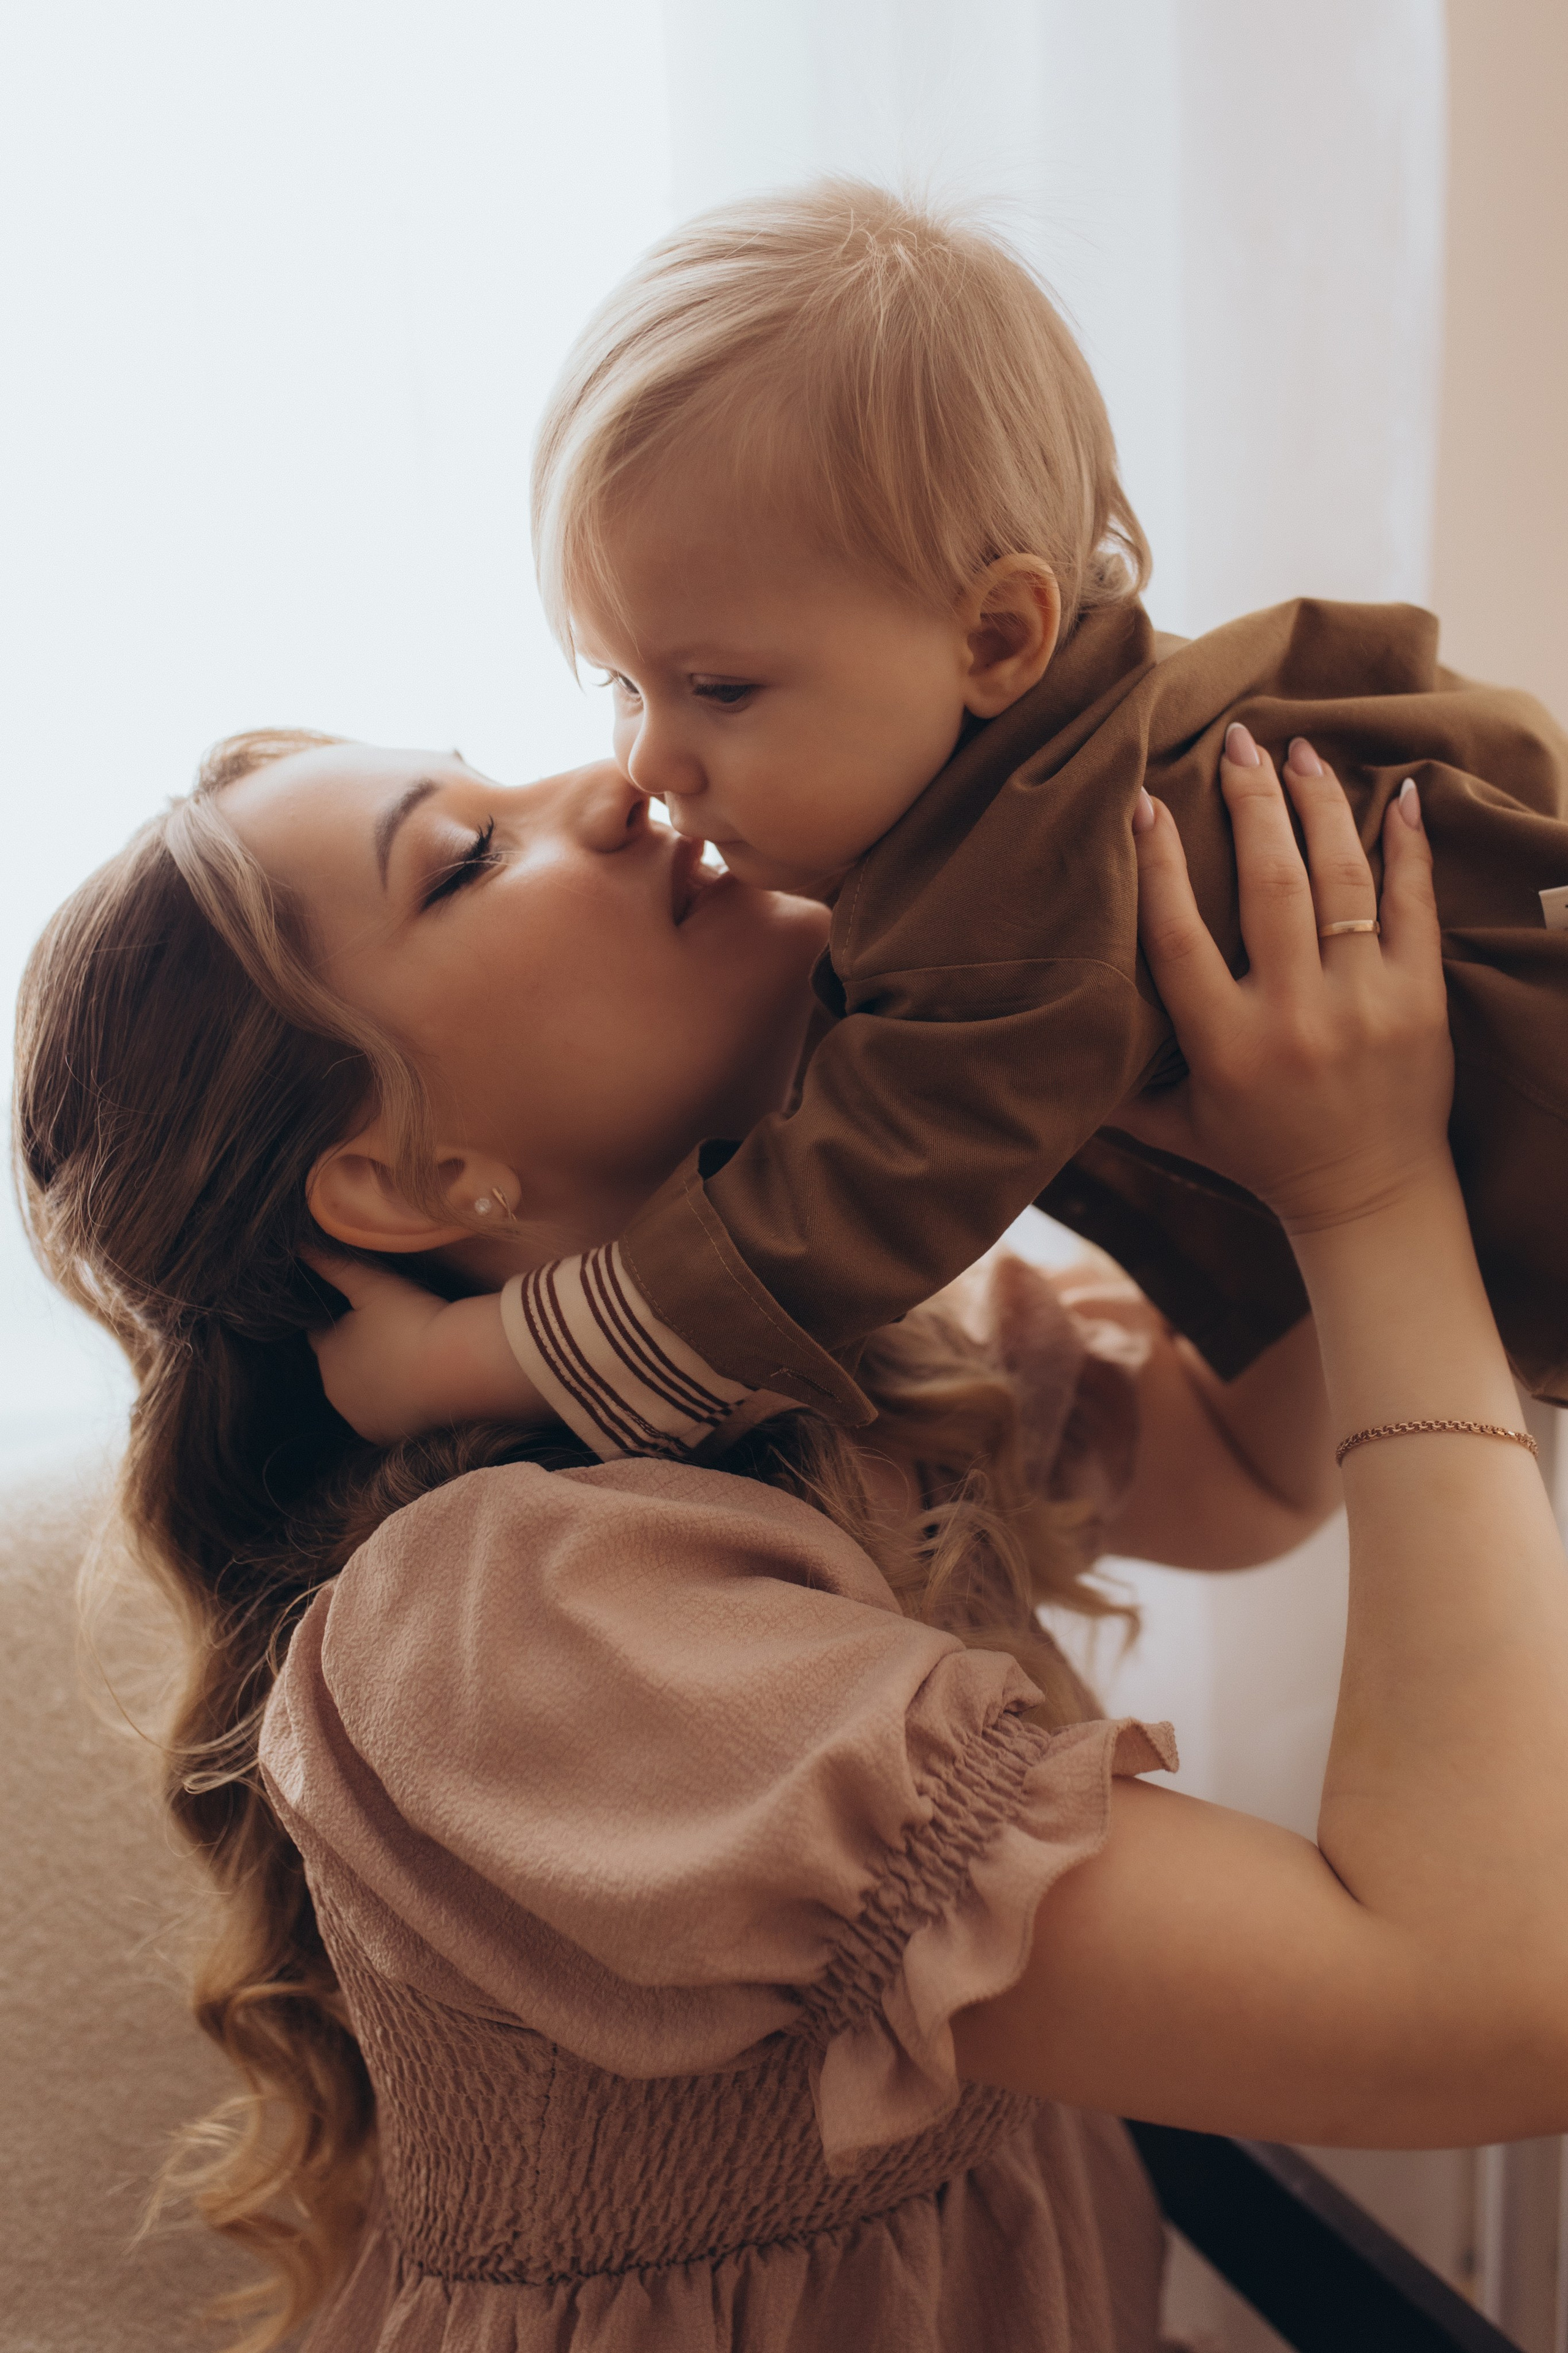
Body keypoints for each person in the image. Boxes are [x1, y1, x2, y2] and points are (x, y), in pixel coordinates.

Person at [15, 721, 1568, 2351]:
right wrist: (1371, 1193)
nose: (613, 783)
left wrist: (1255, 1060)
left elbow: (1254, 1475)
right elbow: (1492, 2006)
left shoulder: (843, 1370)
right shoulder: (517, 1624)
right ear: (413, 1181)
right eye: (466, 857)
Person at [312, 181, 1568, 1465]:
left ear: (993, 636)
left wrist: (460, 1357)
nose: (642, 762)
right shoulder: (1081, 757)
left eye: (721, 689)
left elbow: (825, 1225)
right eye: (620, 684)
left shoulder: (1030, 887)